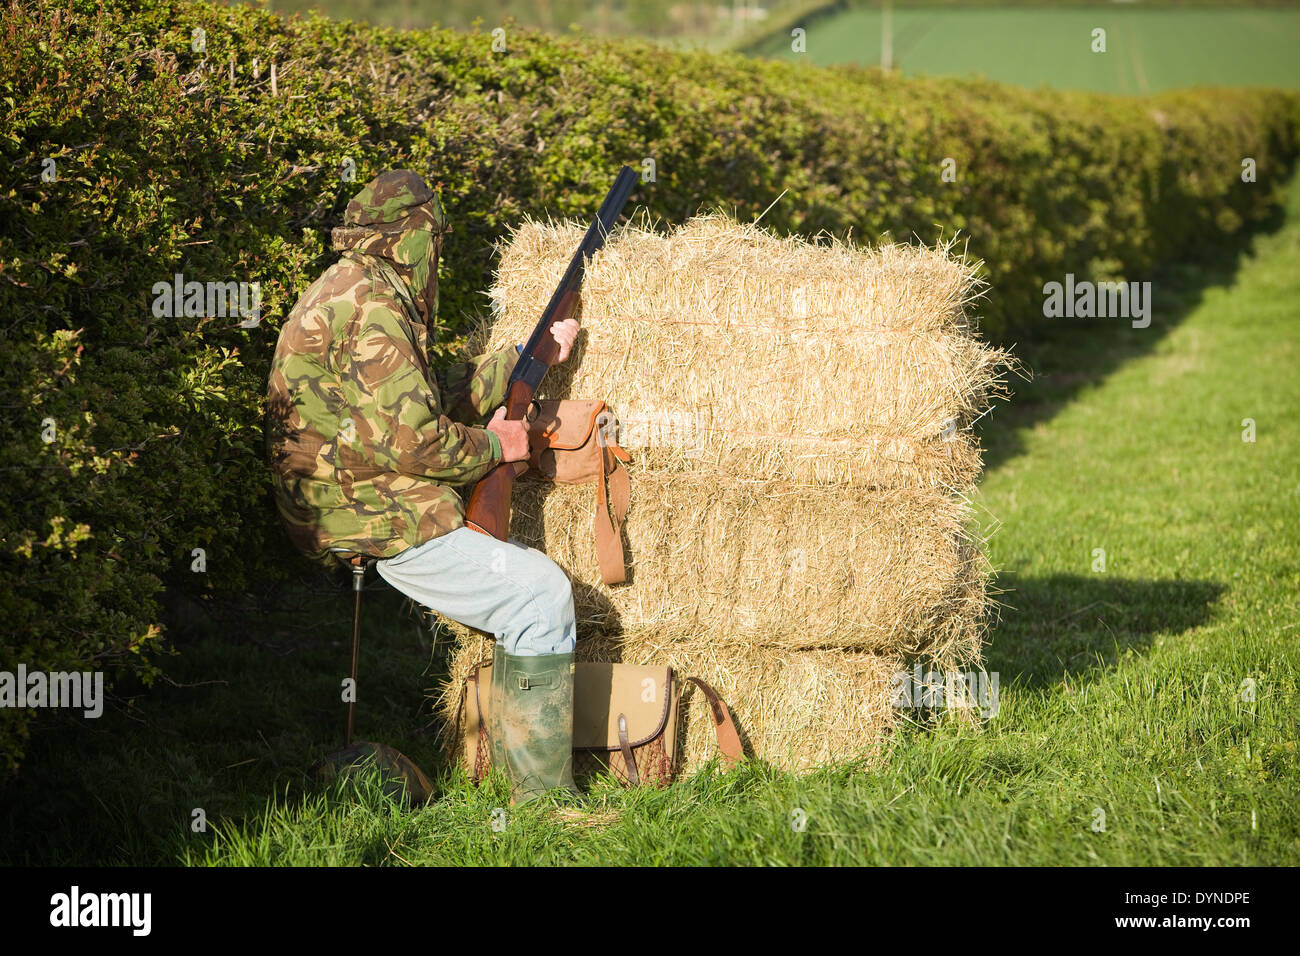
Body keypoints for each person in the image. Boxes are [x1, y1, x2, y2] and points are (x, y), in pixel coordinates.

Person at [265, 169, 583, 805]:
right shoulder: (376, 307)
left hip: (350, 494)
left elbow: (416, 401)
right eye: (433, 240)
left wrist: (526, 357)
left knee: (529, 595)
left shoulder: (351, 287)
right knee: (540, 597)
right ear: (413, 239)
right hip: (369, 509)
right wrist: (500, 446)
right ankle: (540, 808)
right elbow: (416, 440)